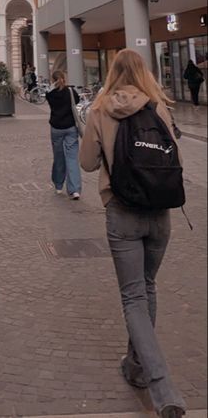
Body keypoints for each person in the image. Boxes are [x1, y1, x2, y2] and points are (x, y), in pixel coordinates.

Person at [80, 49, 185, 418]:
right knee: (147, 288)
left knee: (133, 297)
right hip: (159, 213)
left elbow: (87, 163)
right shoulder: (158, 107)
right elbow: (176, 157)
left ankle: (163, 389)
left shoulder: (100, 109)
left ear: (112, 72)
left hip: (122, 212)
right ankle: (136, 366)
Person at [45, 70, 82, 199]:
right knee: (72, 158)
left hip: (56, 127)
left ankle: (59, 185)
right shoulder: (71, 92)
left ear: (52, 80)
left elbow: (48, 98)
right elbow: (76, 102)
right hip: (70, 127)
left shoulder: (50, 94)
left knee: (58, 157)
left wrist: (51, 87)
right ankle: (75, 189)